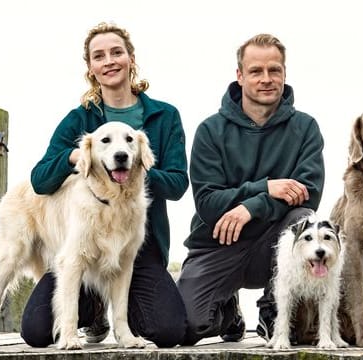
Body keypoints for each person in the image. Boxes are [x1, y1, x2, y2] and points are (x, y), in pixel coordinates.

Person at [20, 22, 189, 348]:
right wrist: (75, 158)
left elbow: (179, 184)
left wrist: (137, 168)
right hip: (84, 249)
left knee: (169, 331)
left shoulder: (164, 116)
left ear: (131, 59)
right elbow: (40, 181)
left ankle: (121, 321)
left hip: (140, 251)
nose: (109, 61)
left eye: (116, 52)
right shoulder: (79, 119)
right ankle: (94, 311)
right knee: (37, 332)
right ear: (91, 68)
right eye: (99, 56)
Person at [176, 33, 325, 345]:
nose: (267, 79)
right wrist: (267, 188)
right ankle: (228, 312)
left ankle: (273, 312)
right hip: (218, 244)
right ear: (240, 76)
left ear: (285, 73)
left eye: (275, 70)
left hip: (273, 246)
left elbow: (308, 193)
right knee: (186, 326)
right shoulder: (210, 130)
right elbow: (208, 203)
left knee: (302, 216)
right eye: (256, 71)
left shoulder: (306, 128)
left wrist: (251, 207)